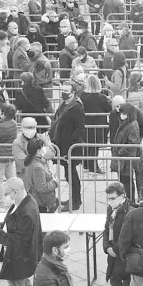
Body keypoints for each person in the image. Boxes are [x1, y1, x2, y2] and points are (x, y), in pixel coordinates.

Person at [0, 177, 43, 286]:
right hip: (20, 258)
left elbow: (17, 240)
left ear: (15, 192)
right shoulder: (25, 201)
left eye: (6, 194)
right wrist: (2, 225)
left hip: (19, 260)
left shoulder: (26, 211)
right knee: (23, 284)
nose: (5, 197)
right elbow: (16, 223)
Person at [49, 82, 85, 212]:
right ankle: (74, 198)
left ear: (73, 92)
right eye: (62, 89)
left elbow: (80, 128)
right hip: (62, 145)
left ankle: (76, 201)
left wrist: (70, 141)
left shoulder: (76, 107)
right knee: (69, 174)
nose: (63, 92)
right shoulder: (64, 104)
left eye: (66, 90)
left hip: (70, 147)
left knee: (71, 175)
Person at [103, 182, 136, 286]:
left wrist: (114, 250)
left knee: (126, 283)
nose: (110, 201)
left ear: (122, 196)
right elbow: (107, 229)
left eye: (113, 198)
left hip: (125, 255)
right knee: (114, 281)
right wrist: (107, 247)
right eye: (108, 199)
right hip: (112, 252)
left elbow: (129, 237)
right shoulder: (111, 208)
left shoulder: (131, 212)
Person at [80, 75, 112, 174]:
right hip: (98, 124)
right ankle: (93, 167)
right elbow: (109, 109)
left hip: (85, 123)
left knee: (87, 144)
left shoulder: (82, 95)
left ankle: (85, 164)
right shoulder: (101, 98)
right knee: (94, 146)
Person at [111, 103, 141, 200]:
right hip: (123, 158)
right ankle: (127, 200)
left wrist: (120, 151)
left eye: (124, 113)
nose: (121, 115)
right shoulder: (125, 124)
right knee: (124, 181)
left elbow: (132, 143)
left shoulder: (132, 125)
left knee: (127, 182)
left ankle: (130, 201)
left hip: (127, 159)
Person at [23, 139, 58, 213]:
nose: (45, 148)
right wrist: (55, 182)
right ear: (38, 151)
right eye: (43, 147)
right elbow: (41, 188)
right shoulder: (37, 167)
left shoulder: (35, 161)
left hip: (38, 200)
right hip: (41, 203)